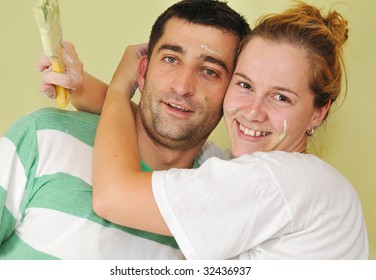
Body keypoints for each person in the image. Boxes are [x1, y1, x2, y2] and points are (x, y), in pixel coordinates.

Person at [90, 2, 369, 259]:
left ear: (319, 112)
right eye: (245, 85)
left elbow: (113, 197)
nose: (252, 112)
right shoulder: (305, 182)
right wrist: (83, 90)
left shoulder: (274, 180)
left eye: (281, 97)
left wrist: (119, 86)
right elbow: (165, 120)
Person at [0, 0, 250, 259]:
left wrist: (115, 90)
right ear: (142, 72)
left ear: (234, 94)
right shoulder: (45, 137)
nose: (182, 87)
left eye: (210, 72)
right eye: (171, 59)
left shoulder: (222, 193)